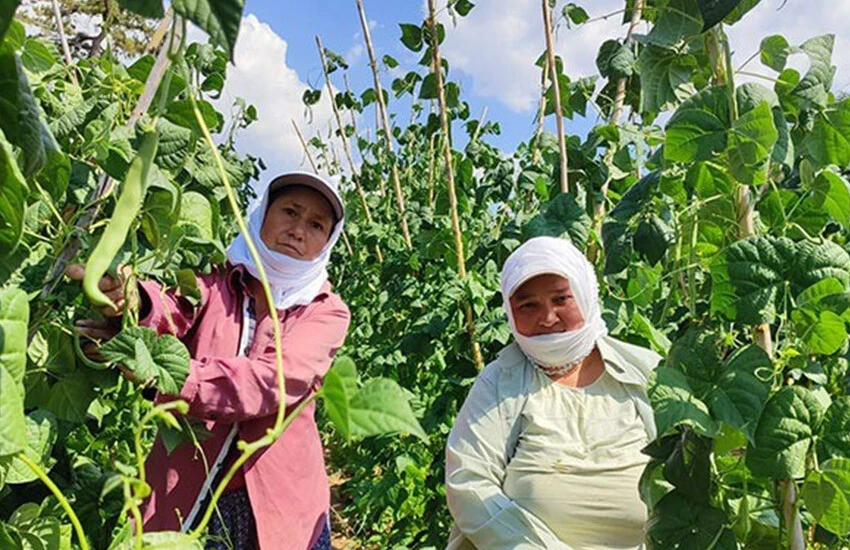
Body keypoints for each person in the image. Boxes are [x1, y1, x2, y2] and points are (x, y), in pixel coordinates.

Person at [70, 172, 351, 550]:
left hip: (281, 505)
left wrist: (169, 376)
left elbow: (270, 382)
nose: (298, 231)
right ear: (263, 214)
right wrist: (131, 302)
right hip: (189, 492)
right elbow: (171, 309)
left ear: (327, 242)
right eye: (289, 212)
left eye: (316, 224)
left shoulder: (326, 312)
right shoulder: (219, 282)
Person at [444, 236, 662, 550]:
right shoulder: (501, 381)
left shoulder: (644, 372)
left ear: (586, 296)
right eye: (528, 305)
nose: (547, 318)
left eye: (561, 299)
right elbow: (469, 483)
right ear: (509, 309)